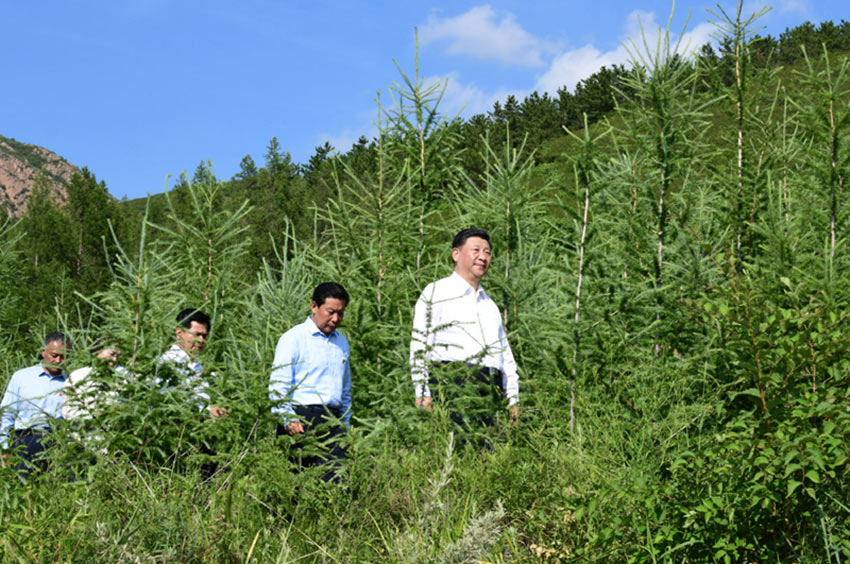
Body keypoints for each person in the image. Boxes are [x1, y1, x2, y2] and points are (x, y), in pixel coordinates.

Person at [409, 227, 520, 433]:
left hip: (490, 389)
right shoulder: (436, 292)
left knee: (488, 456)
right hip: (452, 384)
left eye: (487, 252)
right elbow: (419, 344)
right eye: (476, 250)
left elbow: (505, 356)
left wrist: (512, 398)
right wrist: (422, 391)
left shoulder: (490, 305)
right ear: (456, 254)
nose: (482, 257)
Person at [269, 282, 352, 482]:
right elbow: (278, 385)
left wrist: (346, 429)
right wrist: (288, 419)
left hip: (332, 420)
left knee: (336, 485)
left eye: (340, 313)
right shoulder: (294, 338)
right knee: (295, 485)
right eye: (331, 312)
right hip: (301, 419)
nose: (335, 319)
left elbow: (345, 390)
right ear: (314, 306)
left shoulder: (342, 343)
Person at [0, 332, 73, 476]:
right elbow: (6, 414)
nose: (59, 361)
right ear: (43, 352)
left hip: (57, 444)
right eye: (54, 355)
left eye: (64, 356)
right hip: (25, 441)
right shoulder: (22, 377)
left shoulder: (71, 382)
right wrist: (4, 448)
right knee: (23, 489)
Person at [157, 308, 227, 418]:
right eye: (197, 334)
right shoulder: (167, 363)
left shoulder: (197, 366)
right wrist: (207, 412)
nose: (201, 340)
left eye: (204, 336)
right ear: (179, 333)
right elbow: (168, 402)